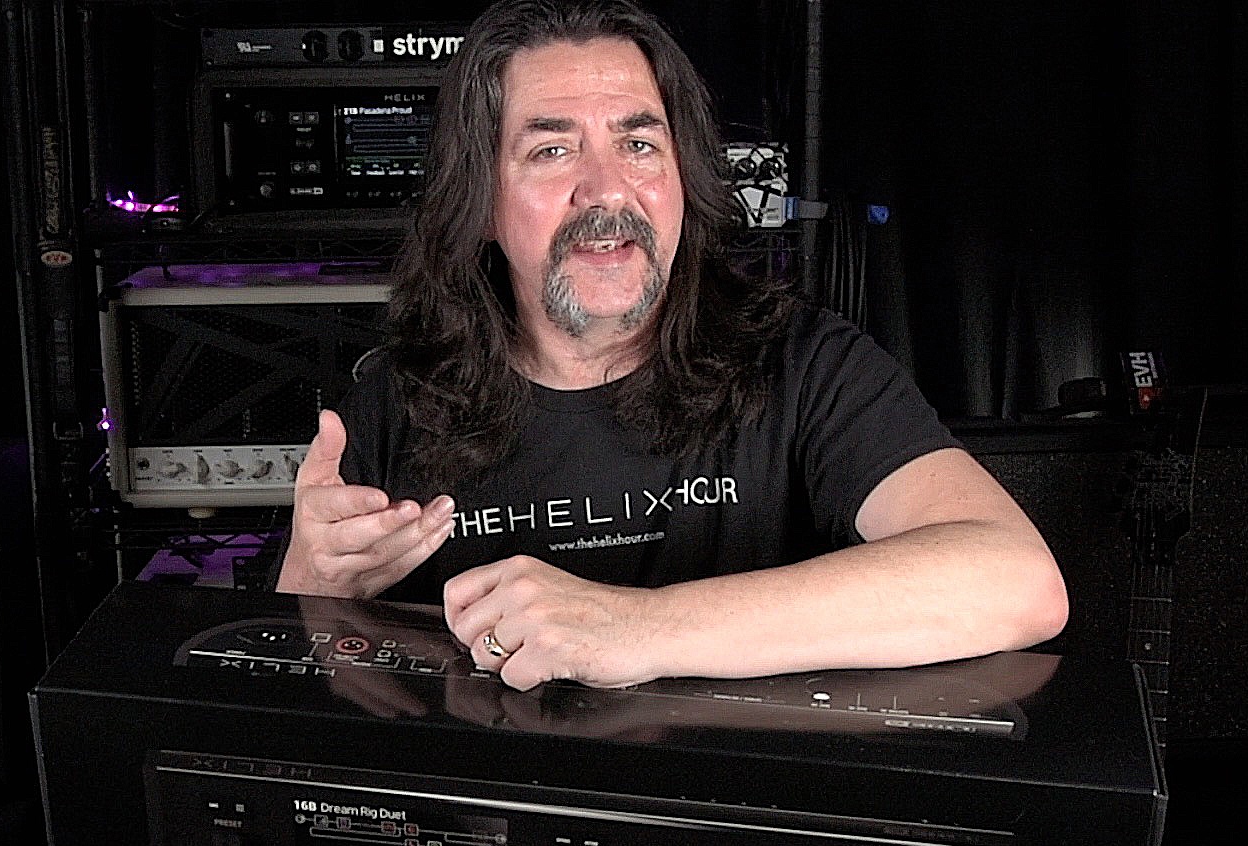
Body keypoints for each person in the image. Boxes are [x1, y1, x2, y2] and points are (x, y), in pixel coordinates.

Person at [276, 0, 1067, 692]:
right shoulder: (396, 403)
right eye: (552, 150)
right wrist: (314, 580)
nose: (607, 190)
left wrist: (637, 628)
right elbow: (291, 699)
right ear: (481, 203)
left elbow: (1017, 581)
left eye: (639, 144)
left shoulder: (805, 364)